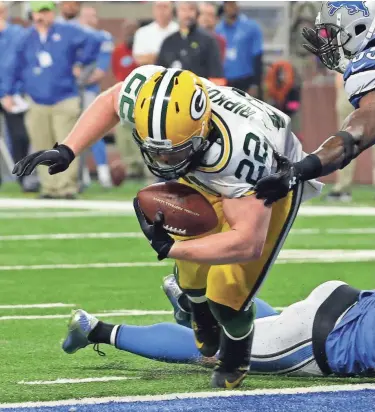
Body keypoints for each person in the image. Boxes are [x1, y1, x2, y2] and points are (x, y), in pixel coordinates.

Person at [12, 63, 323, 387]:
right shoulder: (150, 93)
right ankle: (197, 309)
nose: (163, 162)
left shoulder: (239, 153)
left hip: (270, 181)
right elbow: (111, 100)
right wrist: (68, 148)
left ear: (200, 132)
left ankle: (235, 359)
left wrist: (171, 246)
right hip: (212, 163)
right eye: (155, 151)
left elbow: (247, 242)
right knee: (190, 273)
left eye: (173, 153)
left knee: (228, 290)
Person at [63, 277, 375, 378]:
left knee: (272, 326)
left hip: (343, 298)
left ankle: (192, 304)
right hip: (320, 339)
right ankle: (95, 329)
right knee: (221, 353)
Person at [254, 1, 375, 206]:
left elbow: (356, 136)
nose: (334, 41)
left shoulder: (367, 68)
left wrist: (300, 169)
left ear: (360, 28)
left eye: (338, 32)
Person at [2, 1, 97, 199]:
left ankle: (66, 187)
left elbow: (95, 41)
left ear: (52, 12)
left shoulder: (67, 31)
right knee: (41, 144)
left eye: (44, 11)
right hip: (36, 99)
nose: (41, 16)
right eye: (37, 12)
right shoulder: (27, 37)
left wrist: (81, 62)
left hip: (65, 97)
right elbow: (14, 65)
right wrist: (8, 92)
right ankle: (49, 187)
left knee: (65, 143)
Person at [78, 5, 113, 189]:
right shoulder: (71, 33)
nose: (90, 18)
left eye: (92, 15)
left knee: (94, 130)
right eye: (87, 15)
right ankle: (80, 176)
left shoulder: (102, 37)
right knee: (71, 133)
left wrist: (80, 79)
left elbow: (100, 70)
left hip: (88, 90)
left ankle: (103, 173)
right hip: (68, 92)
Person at [0, 2, 33, 192]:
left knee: (20, 136)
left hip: (12, 94)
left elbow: (22, 64)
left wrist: (11, 92)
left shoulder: (17, 33)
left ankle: (24, 177)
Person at [112, 19, 148, 180]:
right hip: (124, 94)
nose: (130, 35)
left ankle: (143, 165)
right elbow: (116, 72)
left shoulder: (144, 51)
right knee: (122, 131)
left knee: (142, 132)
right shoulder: (118, 51)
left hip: (144, 96)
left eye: (133, 31)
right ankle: (131, 166)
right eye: (128, 31)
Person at [156, 2, 225, 83]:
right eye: (183, 9)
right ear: (176, 12)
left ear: (197, 13)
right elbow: (159, 74)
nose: (187, 14)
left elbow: (217, 76)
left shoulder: (208, 40)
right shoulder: (168, 42)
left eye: (191, 9)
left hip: (201, 92)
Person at [216, 1, 263, 97]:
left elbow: (257, 56)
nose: (230, 7)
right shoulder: (218, 29)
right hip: (224, 82)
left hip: (245, 81)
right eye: (228, 4)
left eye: (233, 4)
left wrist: (255, 84)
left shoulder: (251, 27)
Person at [325, 73, 356, 202]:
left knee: (347, 137)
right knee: (346, 138)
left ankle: (343, 187)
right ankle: (342, 187)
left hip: (351, 80)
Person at [132, 1, 178, 67]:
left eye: (165, 7)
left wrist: (153, 56)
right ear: (153, 9)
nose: (162, 11)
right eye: (159, 7)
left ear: (172, 10)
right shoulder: (142, 32)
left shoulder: (178, 30)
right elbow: (139, 58)